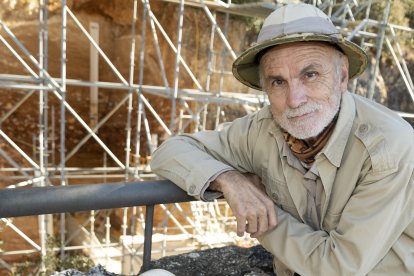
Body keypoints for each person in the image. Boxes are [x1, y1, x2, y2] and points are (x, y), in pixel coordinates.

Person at [151, 3, 414, 276]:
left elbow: (337, 268)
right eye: (278, 82)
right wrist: (229, 180)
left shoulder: (389, 147)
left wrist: (264, 218)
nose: (294, 100)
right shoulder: (262, 129)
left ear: (342, 77)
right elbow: (170, 151)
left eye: (310, 75)